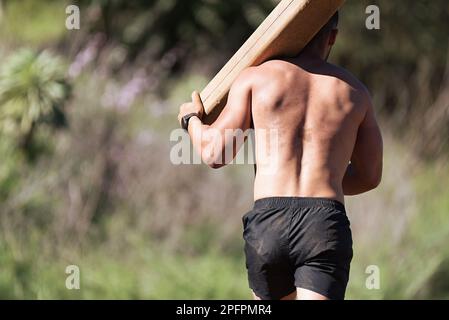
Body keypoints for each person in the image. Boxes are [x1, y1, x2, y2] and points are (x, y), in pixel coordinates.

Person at [177, 12, 383, 300]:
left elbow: (215, 152)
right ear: (332, 37)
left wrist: (191, 121)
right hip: (323, 225)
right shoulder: (354, 92)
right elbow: (370, 176)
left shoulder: (254, 79)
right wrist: (327, 174)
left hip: (268, 223)